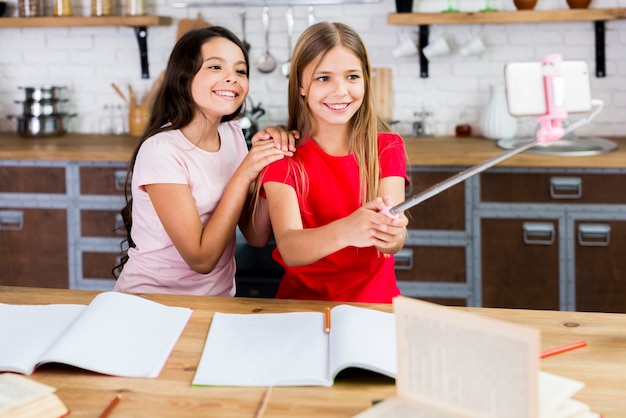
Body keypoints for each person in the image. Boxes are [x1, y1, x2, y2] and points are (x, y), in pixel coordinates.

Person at [113, 26, 296, 296]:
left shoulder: (231, 134)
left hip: (217, 301)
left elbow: (256, 236)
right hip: (151, 304)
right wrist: (245, 173)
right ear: (184, 77)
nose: (232, 78)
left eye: (240, 71)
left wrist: (270, 164)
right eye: (215, 67)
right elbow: (201, 259)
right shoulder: (162, 151)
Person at [258, 22, 410, 303]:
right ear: (301, 86)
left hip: (374, 305)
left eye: (352, 77)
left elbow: (395, 239)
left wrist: (394, 236)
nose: (341, 91)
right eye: (323, 78)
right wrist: (346, 230)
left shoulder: (388, 148)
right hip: (301, 308)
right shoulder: (283, 155)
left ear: (365, 79)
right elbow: (290, 247)